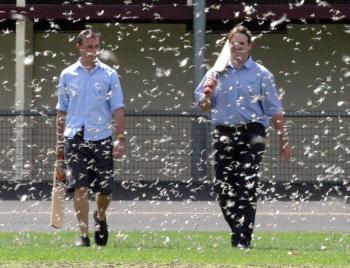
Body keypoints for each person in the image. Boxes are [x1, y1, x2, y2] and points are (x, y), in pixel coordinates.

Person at [194, 25, 291, 249]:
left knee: (246, 185)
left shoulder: (262, 74)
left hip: (252, 131)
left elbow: (274, 109)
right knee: (223, 187)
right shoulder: (215, 72)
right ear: (227, 46)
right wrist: (208, 94)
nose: (236, 47)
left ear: (249, 47)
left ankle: (243, 238)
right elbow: (204, 107)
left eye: (241, 43)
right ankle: (238, 229)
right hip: (223, 132)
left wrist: (284, 139)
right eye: (233, 43)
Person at [56, 29, 125, 247]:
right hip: (74, 137)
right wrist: (59, 144)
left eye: (96, 47)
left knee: (104, 190)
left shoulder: (109, 75)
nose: (93, 52)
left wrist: (120, 138)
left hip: (102, 137)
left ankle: (100, 217)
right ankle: (84, 236)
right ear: (79, 46)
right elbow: (61, 111)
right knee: (80, 187)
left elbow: (118, 108)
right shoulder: (67, 74)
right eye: (89, 47)